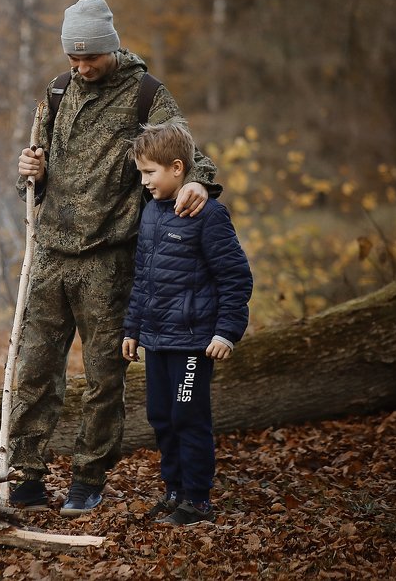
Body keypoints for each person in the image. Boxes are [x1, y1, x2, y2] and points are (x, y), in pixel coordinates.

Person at [8, 0, 222, 517]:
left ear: (111, 47)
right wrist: (28, 172)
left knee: (104, 378)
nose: (81, 67)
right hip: (51, 258)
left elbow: (191, 157)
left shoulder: (147, 95)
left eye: (90, 58)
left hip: (108, 260)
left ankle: (87, 479)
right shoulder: (56, 92)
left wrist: (196, 183)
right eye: (73, 59)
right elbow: (34, 178)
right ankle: (25, 476)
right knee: (34, 371)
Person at [123, 118, 252, 525]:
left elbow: (236, 278)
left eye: (149, 173)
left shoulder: (209, 215)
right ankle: (174, 490)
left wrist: (226, 333)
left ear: (178, 168)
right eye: (141, 173)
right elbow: (143, 278)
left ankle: (197, 499)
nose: (144, 181)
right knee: (161, 417)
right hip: (158, 340)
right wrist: (132, 329)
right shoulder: (151, 214)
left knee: (187, 417)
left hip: (194, 341)